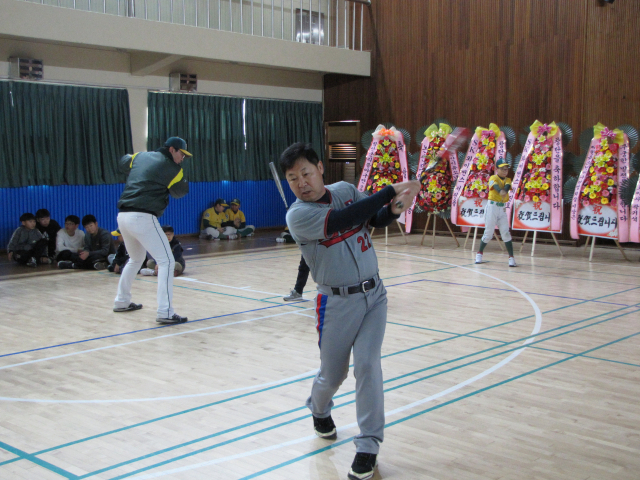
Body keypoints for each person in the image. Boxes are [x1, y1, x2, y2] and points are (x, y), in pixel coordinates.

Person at [280, 142, 420, 480]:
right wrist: (390, 189)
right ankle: (318, 407)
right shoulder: (298, 215)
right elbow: (345, 219)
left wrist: (397, 207)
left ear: (320, 169)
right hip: (336, 303)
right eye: (293, 178)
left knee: (369, 366)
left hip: (375, 297)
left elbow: (375, 218)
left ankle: (368, 445)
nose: (302, 182)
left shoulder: (344, 190)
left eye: (306, 173)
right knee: (334, 373)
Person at [113, 136, 191, 324]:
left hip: (123, 216)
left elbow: (123, 162)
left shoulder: (140, 156)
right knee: (167, 262)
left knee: (136, 259)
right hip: (143, 216)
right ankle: (165, 312)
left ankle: (122, 301)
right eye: (182, 154)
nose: (183, 158)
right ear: (172, 149)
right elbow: (180, 192)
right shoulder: (174, 169)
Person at [475, 160, 517, 267]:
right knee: (488, 232)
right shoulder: (493, 178)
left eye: (506, 169)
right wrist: (500, 191)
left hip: (502, 209)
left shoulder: (508, 179)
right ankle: (479, 253)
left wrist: (504, 191)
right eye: (502, 168)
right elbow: (497, 187)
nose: (504, 171)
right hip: (492, 207)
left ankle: (511, 257)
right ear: (497, 169)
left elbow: (507, 187)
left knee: (505, 232)